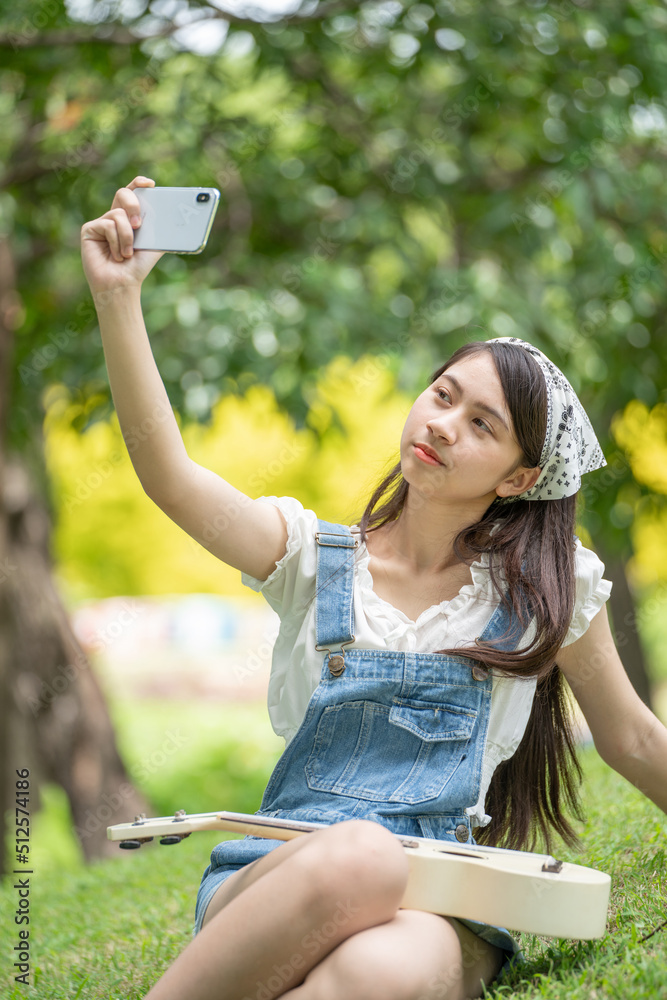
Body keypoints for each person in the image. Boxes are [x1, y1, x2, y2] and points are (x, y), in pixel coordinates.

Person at [81, 177, 667, 1000]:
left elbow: (632, 739)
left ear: (520, 477)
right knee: (359, 852)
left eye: (480, 425)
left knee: (375, 972)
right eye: (442, 395)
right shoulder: (308, 557)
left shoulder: (551, 586)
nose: (440, 424)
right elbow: (167, 474)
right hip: (285, 874)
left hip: (438, 896)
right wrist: (118, 298)